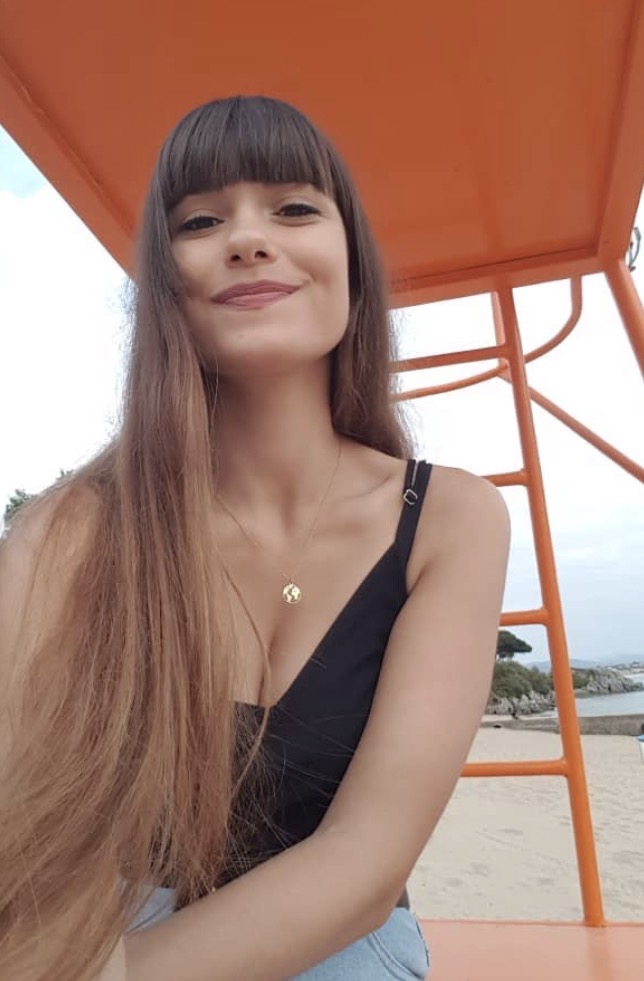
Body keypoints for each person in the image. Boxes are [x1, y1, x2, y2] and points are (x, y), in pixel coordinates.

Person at [0, 95, 510, 981]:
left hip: (340, 940)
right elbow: (22, 807)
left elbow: (365, 859)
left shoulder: (452, 518)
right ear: (166, 285)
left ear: (352, 264)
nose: (246, 238)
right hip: (105, 924)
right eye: (199, 222)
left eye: (295, 208)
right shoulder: (73, 529)